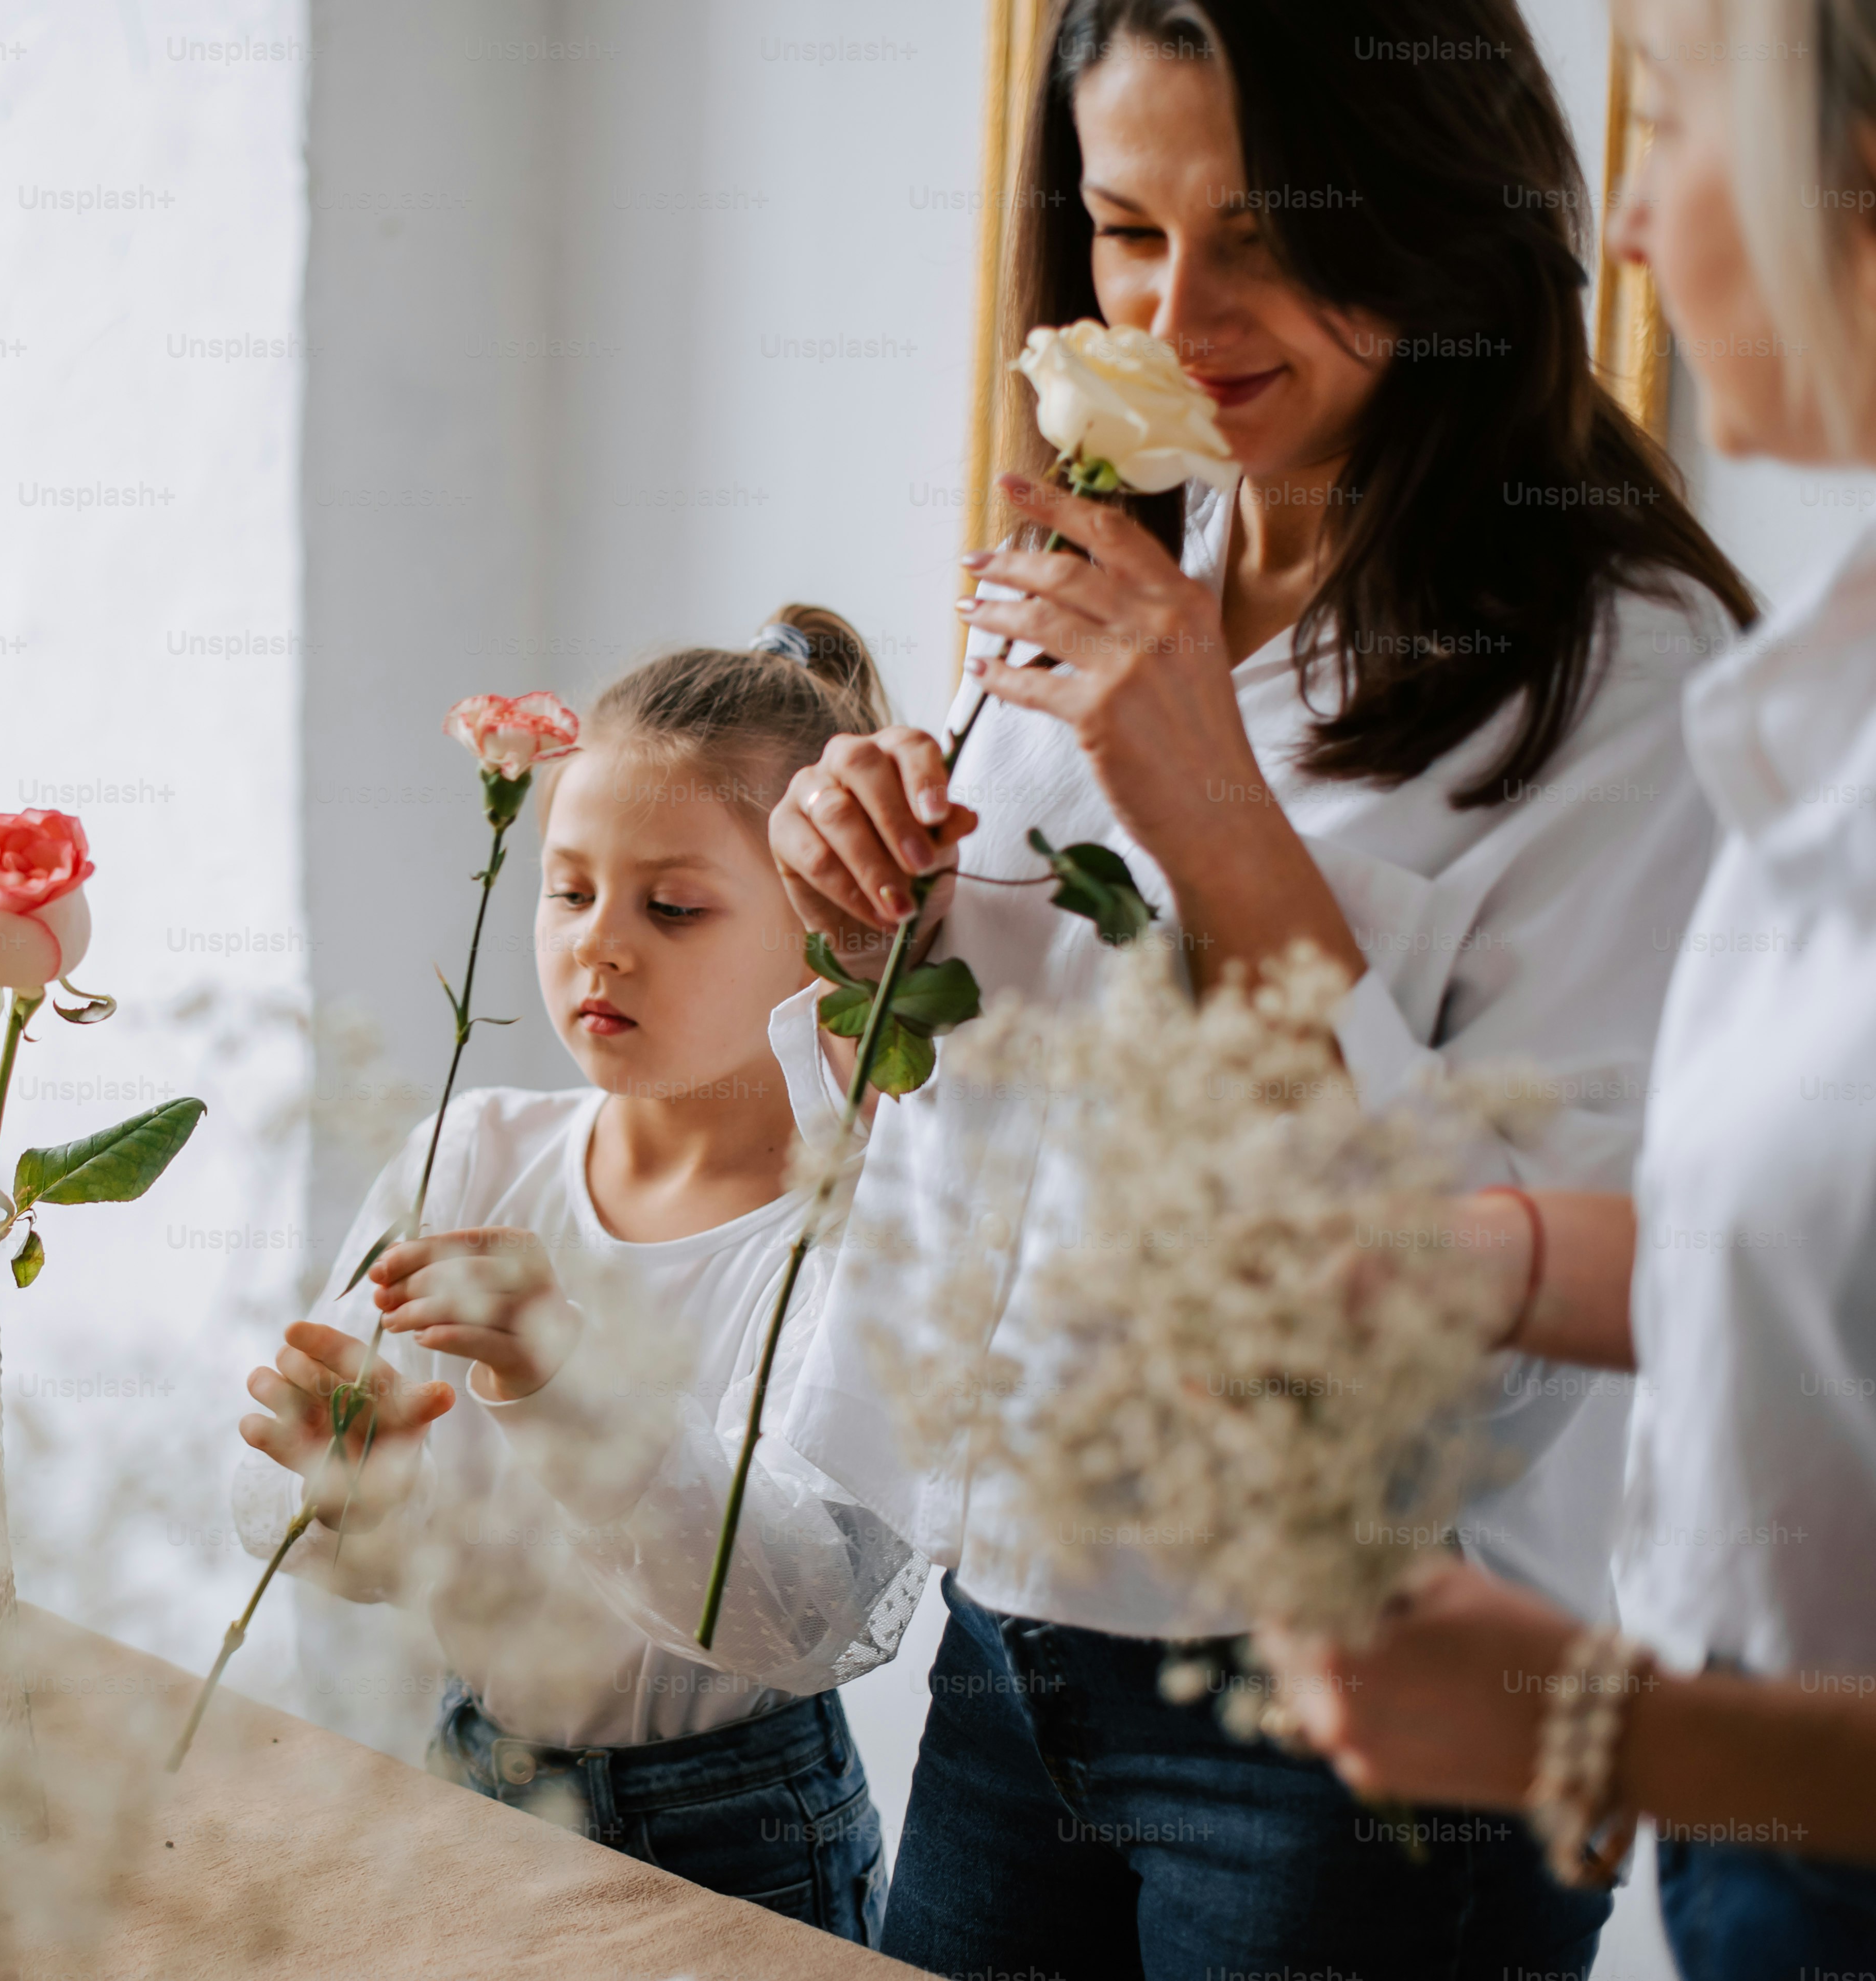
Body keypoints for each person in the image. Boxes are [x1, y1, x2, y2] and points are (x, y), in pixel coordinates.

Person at [740, 1, 1762, 1973]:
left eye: (1268, 236)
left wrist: (1204, 799)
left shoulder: (1630, 685)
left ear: (1437, 218)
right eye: (1126, 232)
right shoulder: (1106, 562)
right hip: (1006, 1651)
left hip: (1367, 1726)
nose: (1181, 307)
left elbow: (1506, 1320)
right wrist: (871, 928)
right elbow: (983, 1113)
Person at [1266, 2, 1876, 1967]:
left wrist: (1613, 1728)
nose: (1625, 235)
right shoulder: (1831, 691)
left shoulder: (1631, 659)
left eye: (1678, 130)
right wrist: (1507, 1255)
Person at [233, 608, 922, 1949]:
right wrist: (342, 1491)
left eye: (672, 905)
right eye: (567, 888)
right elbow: (301, 1539)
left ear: (822, 926)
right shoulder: (471, 1148)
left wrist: (558, 1373)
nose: (599, 945)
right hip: (470, 1780)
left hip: (734, 1836)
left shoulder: (851, 1224)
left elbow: (794, 1618)